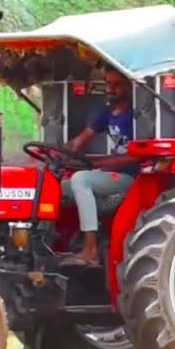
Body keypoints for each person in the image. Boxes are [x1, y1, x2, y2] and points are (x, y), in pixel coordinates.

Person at [58, 67, 140, 267]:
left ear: (130, 86)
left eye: (117, 85)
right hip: (110, 175)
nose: (111, 89)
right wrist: (58, 153)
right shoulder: (108, 113)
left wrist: (98, 163)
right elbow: (80, 140)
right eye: (108, 84)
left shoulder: (136, 115)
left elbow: (135, 157)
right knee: (55, 186)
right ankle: (56, 243)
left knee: (81, 179)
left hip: (130, 179)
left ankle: (90, 249)